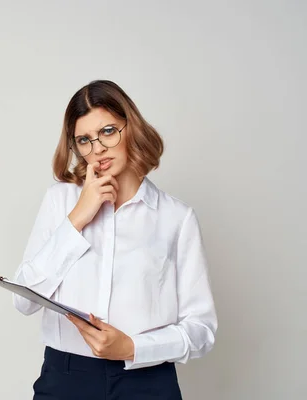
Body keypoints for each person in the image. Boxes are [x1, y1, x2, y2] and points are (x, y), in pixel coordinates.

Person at [12, 80, 217, 400]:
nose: (97, 149)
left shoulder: (176, 217)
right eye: (84, 140)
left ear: (130, 127)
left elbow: (201, 330)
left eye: (108, 131)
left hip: (147, 381)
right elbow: (23, 301)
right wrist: (78, 218)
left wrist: (134, 348)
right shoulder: (60, 202)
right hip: (65, 379)